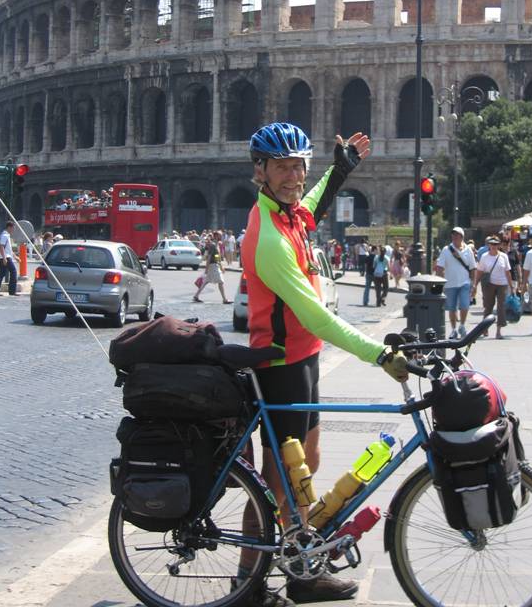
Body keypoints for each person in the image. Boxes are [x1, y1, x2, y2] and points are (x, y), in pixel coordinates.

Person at [242, 122, 408, 607]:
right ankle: (249, 584)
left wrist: (337, 172)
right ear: (261, 172)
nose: (294, 176)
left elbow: (310, 202)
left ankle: (300, 568)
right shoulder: (269, 237)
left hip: (304, 359)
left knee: (305, 469)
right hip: (279, 364)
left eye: (299, 166)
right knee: (276, 482)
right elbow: (315, 316)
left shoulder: (290, 214)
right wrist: (378, 354)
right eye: (282, 167)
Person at [436, 227, 476, 339]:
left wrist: (473, 283)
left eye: (457, 235)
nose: (454, 237)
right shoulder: (446, 250)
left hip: (465, 283)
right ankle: (453, 329)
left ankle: (462, 325)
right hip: (450, 283)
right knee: (452, 308)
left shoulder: (468, 250)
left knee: (465, 305)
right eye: (453, 235)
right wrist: (440, 282)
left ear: (462, 237)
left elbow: (473, 268)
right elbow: (440, 267)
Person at [474, 235, 514, 339]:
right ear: (488, 245)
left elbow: (507, 272)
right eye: (492, 244)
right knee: (488, 306)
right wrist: (475, 284)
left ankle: (498, 331)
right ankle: (485, 328)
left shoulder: (503, 256)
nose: (493, 246)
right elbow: (479, 272)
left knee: (501, 307)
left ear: (499, 245)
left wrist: (511, 286)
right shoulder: (484, 257)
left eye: (496, 244)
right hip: (489, 284)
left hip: (502, 284)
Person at [193, 231, 232, 304]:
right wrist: (206, 269)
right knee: (220, 281)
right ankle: (224, 299)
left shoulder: (216, 245)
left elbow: (217, 256)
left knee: (206, 281)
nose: (222, 237)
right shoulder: (213, 245)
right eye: (220, 235)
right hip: (213, 266)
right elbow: (209, 257)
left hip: (214, 265)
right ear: (216, 236)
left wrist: (221, 266)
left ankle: (196, 296)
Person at [0, 221, 19, 296]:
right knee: (13, 272)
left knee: (0, 274)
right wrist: (4, 258)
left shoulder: (6, 235)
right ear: (9, 227)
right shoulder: (5, 235)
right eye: (13, 228)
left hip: (5, 256)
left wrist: (15, 256)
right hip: (5, 257)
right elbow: (1, 246)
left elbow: (8, 248)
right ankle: (12, 291)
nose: (14, 230)